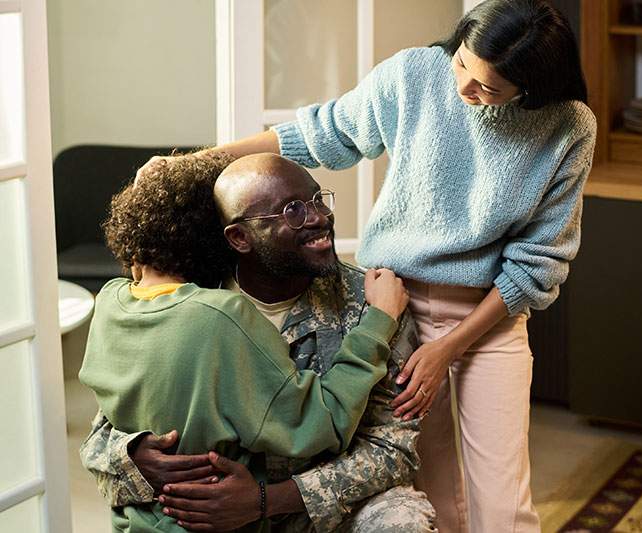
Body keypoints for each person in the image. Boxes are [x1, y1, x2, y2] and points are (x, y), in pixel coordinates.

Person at [137, 1, 595, 529]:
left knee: (503, 502)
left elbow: (537, 263)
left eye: (489, 88)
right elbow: (321, 134)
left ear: (532, 88)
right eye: (463, 64)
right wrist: (198, 160)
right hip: (392, 305)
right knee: (434, 489)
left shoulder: (568, 126)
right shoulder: (414, 74)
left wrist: (449, 346)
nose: (467, 88)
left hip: (489, 318)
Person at [80, 153, 437, 532]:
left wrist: (265, 500)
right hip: (207, 516)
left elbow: (392, 449)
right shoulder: (190, 300)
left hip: (317, 509)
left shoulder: (375, 302)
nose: (318, 218)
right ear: (238, 237)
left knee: (400, 520)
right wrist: (135, 456)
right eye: (292, 210)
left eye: (318, 200)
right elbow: (106, 428)